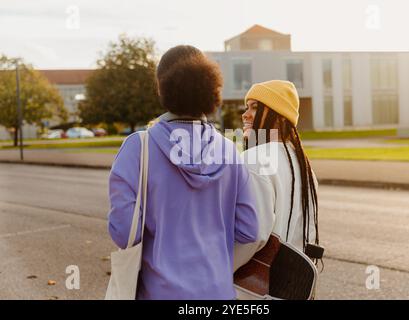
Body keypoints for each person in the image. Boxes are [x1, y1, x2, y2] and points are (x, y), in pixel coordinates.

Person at [108, 45, 259, 300]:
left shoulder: (138, 147)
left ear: (161, 87)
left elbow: (124, 234)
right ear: (211, 89)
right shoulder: (229, 150)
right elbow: (249, 230)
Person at [234, 80, 320, 273]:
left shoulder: (254, 159)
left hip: (252, 290)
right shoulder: (305, 168)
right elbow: (309, 234)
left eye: (255, 108)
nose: (245, 114)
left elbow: (251, 235)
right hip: (289, 284)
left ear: (280, 118)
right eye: (247, 106)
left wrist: (220, 269)